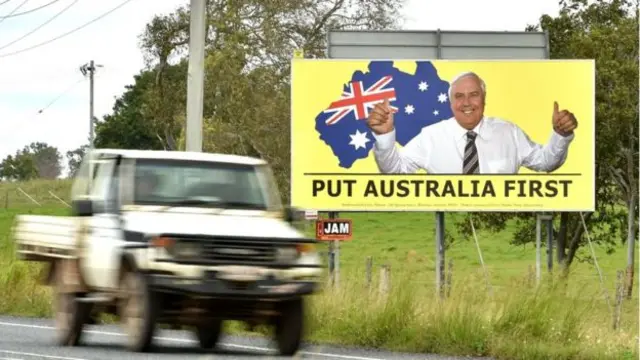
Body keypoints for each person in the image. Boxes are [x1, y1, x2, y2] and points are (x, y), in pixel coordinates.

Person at [366, 71, 579, 174]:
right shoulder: (431, 136)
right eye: (459, 96)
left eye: (474, 95)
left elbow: (546, 162)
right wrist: (385, 136)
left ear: (484, 99)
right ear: (450, 103)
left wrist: (560, 135)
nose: (466, 103)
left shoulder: (508, 132)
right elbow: (394, 171)